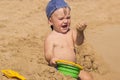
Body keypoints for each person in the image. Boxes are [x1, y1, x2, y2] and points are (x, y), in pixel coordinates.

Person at [44, 0, 93, 80]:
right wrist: (51, 58)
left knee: (88, 77)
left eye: (68, 17)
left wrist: (80, 32)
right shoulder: (51, 37)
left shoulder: (71, 33)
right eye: (61, 19)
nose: (65, 21)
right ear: (50, 21)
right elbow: (48, 53)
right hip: (58, 69)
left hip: (73, 69)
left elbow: (79, 42)